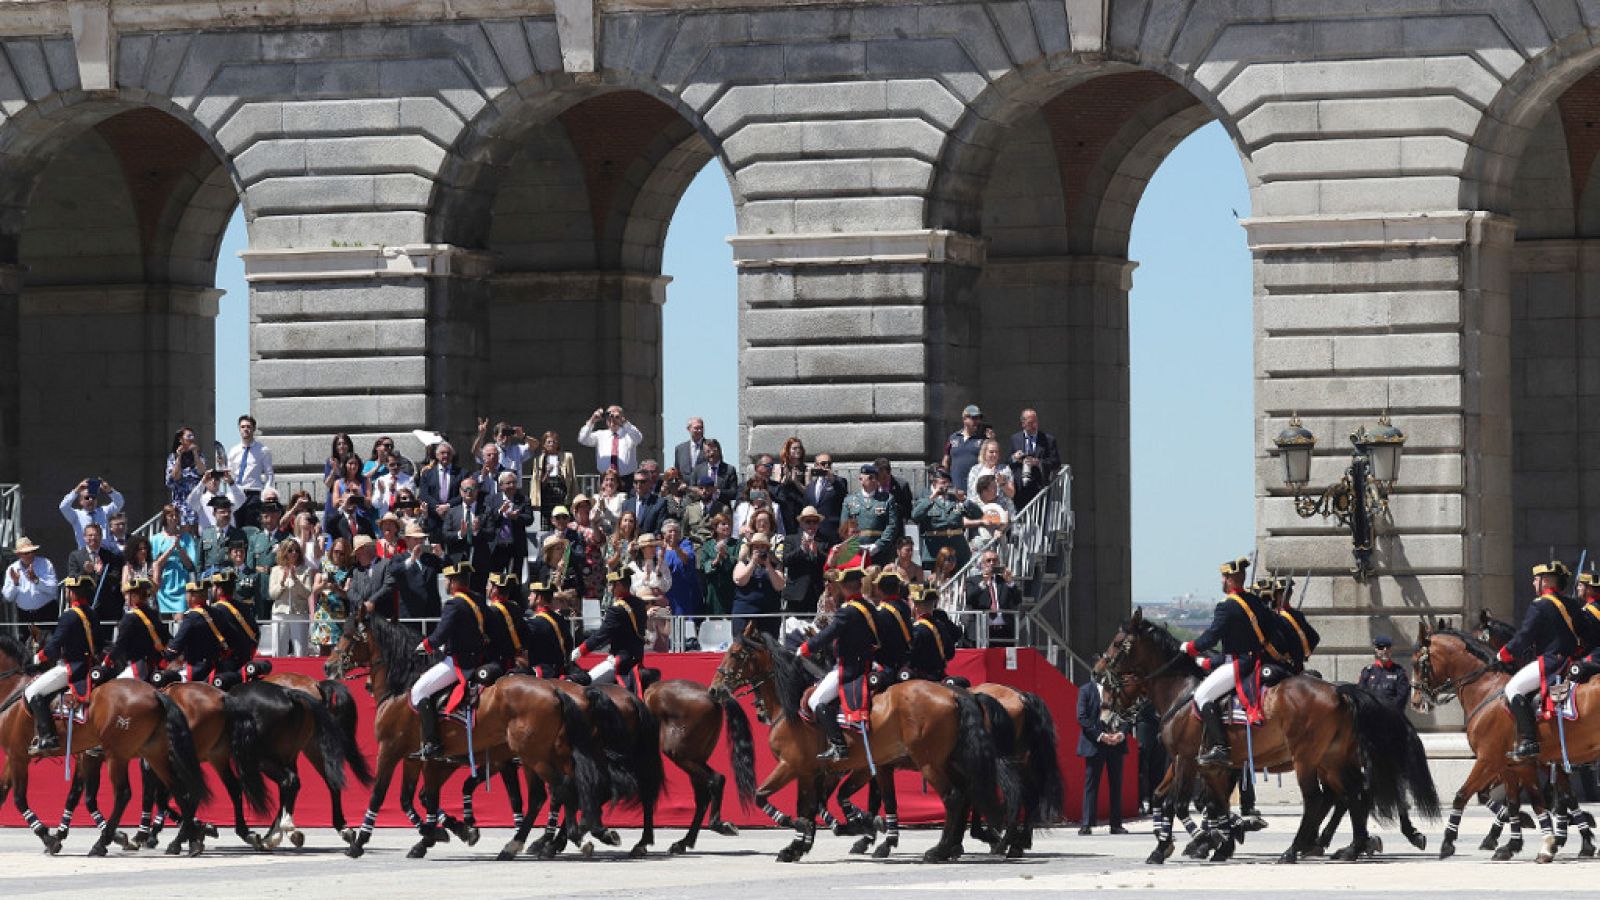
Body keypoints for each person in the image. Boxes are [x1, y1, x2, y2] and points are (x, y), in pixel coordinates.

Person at [1180, 557, 1279, 767]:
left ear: (1232, 580)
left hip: (1238, 663)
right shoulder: (1255, 601)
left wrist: (1189, 648)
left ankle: (1220, 748)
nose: (1222, 581)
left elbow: (1211, 637)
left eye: (1224, 577)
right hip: (1257, 659)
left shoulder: (1226, 606)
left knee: (1201, 695)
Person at [1496, 560, 1580, 762]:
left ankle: (1529, 740)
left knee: (1512, 689)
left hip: (1551, 662)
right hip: (1572, 661)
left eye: (1536, 580)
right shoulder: (1571, 604)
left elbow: (1525, 636)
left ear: (1546, 581)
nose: (1534, 584)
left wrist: (1504, 653)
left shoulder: (1540, 605)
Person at [799, 565, 878, 761]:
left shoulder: (848, 611)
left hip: (849, 667)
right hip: (868, 662)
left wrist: (805, 648)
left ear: (843, 588)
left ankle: (839, 745)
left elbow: (828, 634)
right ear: (860, 585)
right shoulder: (868, 606)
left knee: (814, 701)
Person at [411, 562, 486, 760]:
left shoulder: (454, 604)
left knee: (418, 691)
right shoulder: (477, 599)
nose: (445, 583)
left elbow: (440, 635)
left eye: (447, 579)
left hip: (460, 662)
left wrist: (424, 646)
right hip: (479, 658)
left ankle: (432, 743)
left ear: (453, 582)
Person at [21, 575, 99, 753]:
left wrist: (36, 659)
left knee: (31, 691)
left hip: (71, 667)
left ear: (71, 593)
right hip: (90, 665)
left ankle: (48, 737)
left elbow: (54, 646)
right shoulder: (92, 613)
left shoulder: (69, 616)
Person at [575, 572, 649, 692]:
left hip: (621, 660)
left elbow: (601, 635)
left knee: (585, 684)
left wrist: (580, 651)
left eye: (612, 585)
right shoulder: (639, 603)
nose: (610, 589)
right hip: (637, 658)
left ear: (619, 585)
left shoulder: (617, 609)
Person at [1076, 676, 1129, 835]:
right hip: (1094, 744)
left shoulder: (1118, 691)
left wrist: (1121, 734)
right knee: (1091, 783)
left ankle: (1116, 824)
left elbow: (1127, 715)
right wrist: (1101, 736)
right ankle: (1087, 823)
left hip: (1116, 744)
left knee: (1116, 784)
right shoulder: (1086, 690)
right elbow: (1082, 717)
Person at [67, 522, 124, 636]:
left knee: (105, 642)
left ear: (101, 537)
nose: (93, 538)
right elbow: (72, 577)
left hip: (105, 607)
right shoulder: (76, 556)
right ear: (84, 537)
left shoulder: (110, 556)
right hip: (84, 605)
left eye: (96, 535)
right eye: (90, 535)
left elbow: (116, 578)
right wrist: (85, 572)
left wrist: (101, 572)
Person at [167, 579, 226, 683]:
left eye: (187, 594)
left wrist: (166, 654)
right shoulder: (217, 613)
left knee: (165, 683)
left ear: (193, 597)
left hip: (196, 669)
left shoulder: (191, 618)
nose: (186, 598)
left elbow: (176, 646)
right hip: (216, 667)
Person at [107, 577, 165, 681]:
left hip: (137, 668)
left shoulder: (129, 617)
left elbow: (120, 645)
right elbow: (165, 637)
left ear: (134, 596)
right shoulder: (153, 614)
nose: (125, 598)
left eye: (126, 595)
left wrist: (107, 661)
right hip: (154, 667)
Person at [842, 464, 902, 565]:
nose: (874, 480)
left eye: (875, 477)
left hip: (880, 550)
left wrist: (878, 545)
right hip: (856, 550)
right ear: (860, 479)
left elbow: (892, 525)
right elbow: (844, 526)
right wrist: (854, 545)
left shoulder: (887, 499)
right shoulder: (850, 500)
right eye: (870, 477)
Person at [526, 583, 586, 681]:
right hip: (562, 671)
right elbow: (569, 644)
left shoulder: (534, 623)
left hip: (543, 675)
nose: (529, 597)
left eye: (531, 594)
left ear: (539, 598)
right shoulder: (560, 619)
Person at [733, 532, 786, 637]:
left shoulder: (776, 566)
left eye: (763, 547)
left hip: (769, 615)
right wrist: (753, 562)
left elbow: (779, 586)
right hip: (745, 613)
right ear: (751, 549)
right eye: (756, 547)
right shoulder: (743, 563)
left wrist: (768, 565)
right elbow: (740, 581)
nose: (760, 550)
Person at [268, 537, 315, 656]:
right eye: (290, 550)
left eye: (296, 550)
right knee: (278, 651)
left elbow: (307, 593)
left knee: (301, 651)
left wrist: (295, 579)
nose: (294, 553)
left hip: (299, 613)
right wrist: (282, 582)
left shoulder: (306, 570)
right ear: (284, 552)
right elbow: (272, 594)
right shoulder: (275, 570)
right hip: (280, 613)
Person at [208, 569, 260, 678]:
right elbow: (256, 633)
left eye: (213, 587)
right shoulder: (243, 607)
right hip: (245, 661)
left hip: (226, 665)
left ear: (219, 590)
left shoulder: (216, 610)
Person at [782, 506, 832, 617]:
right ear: (801, 523)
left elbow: (829, 564)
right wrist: (801, 550)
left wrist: (816, 553)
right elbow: (785, 560)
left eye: (815, 522)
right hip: (796, 594)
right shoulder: (791, 539)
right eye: (808, 521)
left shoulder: (824, 542)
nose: (811, 525)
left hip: (816, 593)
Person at [1263, 575, 1319, 674]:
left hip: (1279, 667)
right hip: (1298, 666)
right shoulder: (1298, 615)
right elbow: (1314, 637)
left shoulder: (1274, 616)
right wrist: (1303, 656)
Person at [964, 548, 1020, 645]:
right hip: (982, 628)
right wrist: (983, 582)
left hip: (1004, 630)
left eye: (994, 560)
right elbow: (969, 599)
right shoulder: (972, 580)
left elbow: (1018, 600)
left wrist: (1010, 582)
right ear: (982, 564)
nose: (991, 563)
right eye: (988, 560)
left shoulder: (1004, 581)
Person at [228, 414, 275, 528]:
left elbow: (269, 473)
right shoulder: (234, 451)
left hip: (254, 493)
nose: (246, 429)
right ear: (239, 429)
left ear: (253, 429)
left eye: (248, 426)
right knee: (237, 526)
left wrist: (266, 493)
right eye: (243, 427)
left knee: (252, 527)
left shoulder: (262, 450)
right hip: (237, 493)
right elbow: (231, 473)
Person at [483, 571, 535, 673]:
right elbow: (526, 635)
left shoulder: (490, 611)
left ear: (494, 589)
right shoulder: (515, 607)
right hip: (515, 661)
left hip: (495, 662)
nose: (486, 588)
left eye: (488, 585)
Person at [310, 537, 355, 656]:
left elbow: (347, 594)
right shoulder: (324, 564)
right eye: (336, 551)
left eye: (342, 553)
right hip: (324, 613)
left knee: (339, 650)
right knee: (323, 650)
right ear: (331, 550)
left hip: (339, 614)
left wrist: (335, 588)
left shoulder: (349, 569)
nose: (338, 555)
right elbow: (314, 590)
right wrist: (325, 584)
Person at [906, 586, 961, 682]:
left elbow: (910, 658)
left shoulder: (917, 629)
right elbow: (950, 652)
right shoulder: (941, 625)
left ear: (916, 607)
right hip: (940, 675)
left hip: (921, 678)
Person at [4, 536, 59, 631]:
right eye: (26, 553)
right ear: (19, 554)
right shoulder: (12, 569)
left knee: (50, 644)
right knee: (25, 644)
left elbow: (53, 589)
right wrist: (15, 583)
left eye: (32, 551)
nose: (30, 555)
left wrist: (35, 580)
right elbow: (8, 597)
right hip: (25, 616)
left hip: (46, 612)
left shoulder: (45, 563)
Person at [1010, 408, 1060, 510]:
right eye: (1030, 423)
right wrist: (1015, 458)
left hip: (1039, 485)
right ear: (1023, 424)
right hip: (1020, 487)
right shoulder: (1015, 439)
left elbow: (1056, 462)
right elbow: (1007, 461)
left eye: (1036, 422)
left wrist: (1038, 463)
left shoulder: (1048, 439)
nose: (1034, 426)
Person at [486, 470, 534, 577]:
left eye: (514, 483)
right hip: (497, 547)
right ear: (501, 486)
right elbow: (487, 518)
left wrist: (517, 517)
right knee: (495, 579)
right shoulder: (492, 500)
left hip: (515, 546)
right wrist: (500, 512)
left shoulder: (523, 500)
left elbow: (529, 519)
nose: (512, 485)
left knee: (514, 580)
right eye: (508, 483)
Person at [578, 405, 644, 482]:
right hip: (605, 478)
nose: (613, 420)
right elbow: (582, 439)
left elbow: (638, 438)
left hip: (627, 478)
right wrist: (592, 421)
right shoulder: (600, 435)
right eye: (609, 417)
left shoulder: (629, 434)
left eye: (616, 417)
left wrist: (624, 422)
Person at [59, 477, 126, 550]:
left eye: (93, 497)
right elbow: (63, 507)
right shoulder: (76, 515)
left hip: (105, 553)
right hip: (85, 554)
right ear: (80, 501)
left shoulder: (104, 511)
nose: (91, 500)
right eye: (87, 498)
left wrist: (110, 491)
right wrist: (76, 491)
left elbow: (119, 503)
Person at [200, 493, 257, 573]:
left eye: (229, 512)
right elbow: (200, 561)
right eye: (222, 512)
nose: (226, 515)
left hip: (230, 576)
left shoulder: (239, 534)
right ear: (214, 514)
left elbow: (245, 558)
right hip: (210, 577)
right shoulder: (206, 533)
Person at [871, 570, 913, 678]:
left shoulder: (881, 612)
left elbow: (876, 641)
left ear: (879, 590)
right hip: (905, 660)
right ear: (898, 589)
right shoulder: (905, 607)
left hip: (887, 664)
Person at [529, 430, 577, 523]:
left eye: (554, 442)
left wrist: (561, 472)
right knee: (547, 528)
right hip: (546, 499)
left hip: (562, 497)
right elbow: (539, 485)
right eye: (549, 442)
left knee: (563, 524)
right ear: (544, 444)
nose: (552, 444)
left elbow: (571, 481)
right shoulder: (539, 460)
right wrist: (547, 473)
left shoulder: (567, 457)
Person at [697, 514, 739, 617]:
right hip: (713, 591)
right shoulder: (708, 545)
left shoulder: (737, 543)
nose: (727, 527)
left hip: (731, 588)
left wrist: (725, 555)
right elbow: (703, 565)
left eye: (729, 524)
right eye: (723, 524)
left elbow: (739, 562)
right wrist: (716, 560)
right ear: (715, 527)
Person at [166, 426, 206, 530]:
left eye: (193, 436)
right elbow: (175, 477)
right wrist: (179, 457)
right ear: (181, 439)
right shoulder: (173, 457)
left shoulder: (199, 455)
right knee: (184, 532)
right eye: (189, 436)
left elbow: (202, 471)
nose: (191, 438)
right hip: (181, 503)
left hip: (197, 502)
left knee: (198, 532)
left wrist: (195, 453)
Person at [801, 454, 847, 543]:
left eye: (829, 464)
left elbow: (843, 494)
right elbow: (805, 509)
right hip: (814, 533)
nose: (826, 466)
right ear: (816, 466)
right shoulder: (810, 486)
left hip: (833, 533)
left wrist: (832, 480)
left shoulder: (839, 481)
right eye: (823, 463)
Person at [660, 520, 701, 620]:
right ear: (664, 534)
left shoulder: (685, 544)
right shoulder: (659, 548)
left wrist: (676, 548)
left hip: (683, 591)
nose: (673, 534)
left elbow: (688, 559)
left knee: (684, 622)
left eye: (676, 531)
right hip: (665, 592)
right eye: (670, 531)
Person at [1357, 635, 1410, 711]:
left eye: (1387, 647)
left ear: (1390, 650)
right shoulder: (1367, 672)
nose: (1385, 650)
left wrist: (1387, 711)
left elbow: (1402, 697)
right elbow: (1360, 695)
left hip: (1392, 717)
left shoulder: (1399, 672)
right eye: (1381, 648)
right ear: (1376, 650)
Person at [941, 404, 986, 491]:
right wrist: (944, 478)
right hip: (955, 486)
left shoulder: (983, 439)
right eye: (974, 418)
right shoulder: (953, 437)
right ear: (964, 419)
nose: (977, 421)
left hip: (975, 487)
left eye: (979, 418)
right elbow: (946, 459)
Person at [419, 441, 464, 528]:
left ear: (452, 456)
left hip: (454, 518)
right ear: (437, 455)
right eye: (443, 453)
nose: (446, 456)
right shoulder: (427, 474)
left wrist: (447, 506)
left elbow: (463, 495)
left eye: (448, 453)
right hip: (433, 518)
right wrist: (437, 507)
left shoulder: (462, 473)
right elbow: (423, 494)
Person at [967, 439, 1017, 515]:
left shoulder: (1005, 469)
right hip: (980, 514)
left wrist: (1002, 483)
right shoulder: (975, 470)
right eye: (991, 452)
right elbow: (971, 495)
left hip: (1002, 514)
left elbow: (1011, 494)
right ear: (984, 453)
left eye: (996, 452)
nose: (994, 454)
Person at [682, 474, 730, 547]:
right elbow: (685, 533)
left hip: (714, 548)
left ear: (713, 489)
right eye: (701, 488)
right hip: (695, 548)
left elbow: (728, 533)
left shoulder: (722, 509)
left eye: (707, 488)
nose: (704, 491)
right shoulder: (690, 509)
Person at [968, 474, 1011, 554]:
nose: (996, 490)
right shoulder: (972, 503)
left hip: (998, 543)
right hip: (978, 543)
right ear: (984, 490)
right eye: (994, 487)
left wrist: (1000, 529)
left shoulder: (1001, 502)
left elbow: (1006, 518)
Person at [691, 438, 739, 507]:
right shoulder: (697, 470)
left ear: (719, 451)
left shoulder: (729, 470)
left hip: (722, 511)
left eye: (714, 450)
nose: (711, 453)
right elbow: (692, 491)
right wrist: (700, 492)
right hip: (702, 511)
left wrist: (717, 492)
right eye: (708, 451)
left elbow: (734, 493)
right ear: (704, 454)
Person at [874, 458, 913, 525]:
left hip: (896, 525)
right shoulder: (873, 484)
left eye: (883, 477)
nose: (880, 480)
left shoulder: (902, 485)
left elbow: (908, 509)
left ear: (889, 473)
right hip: (877, 526)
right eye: (877, 477)